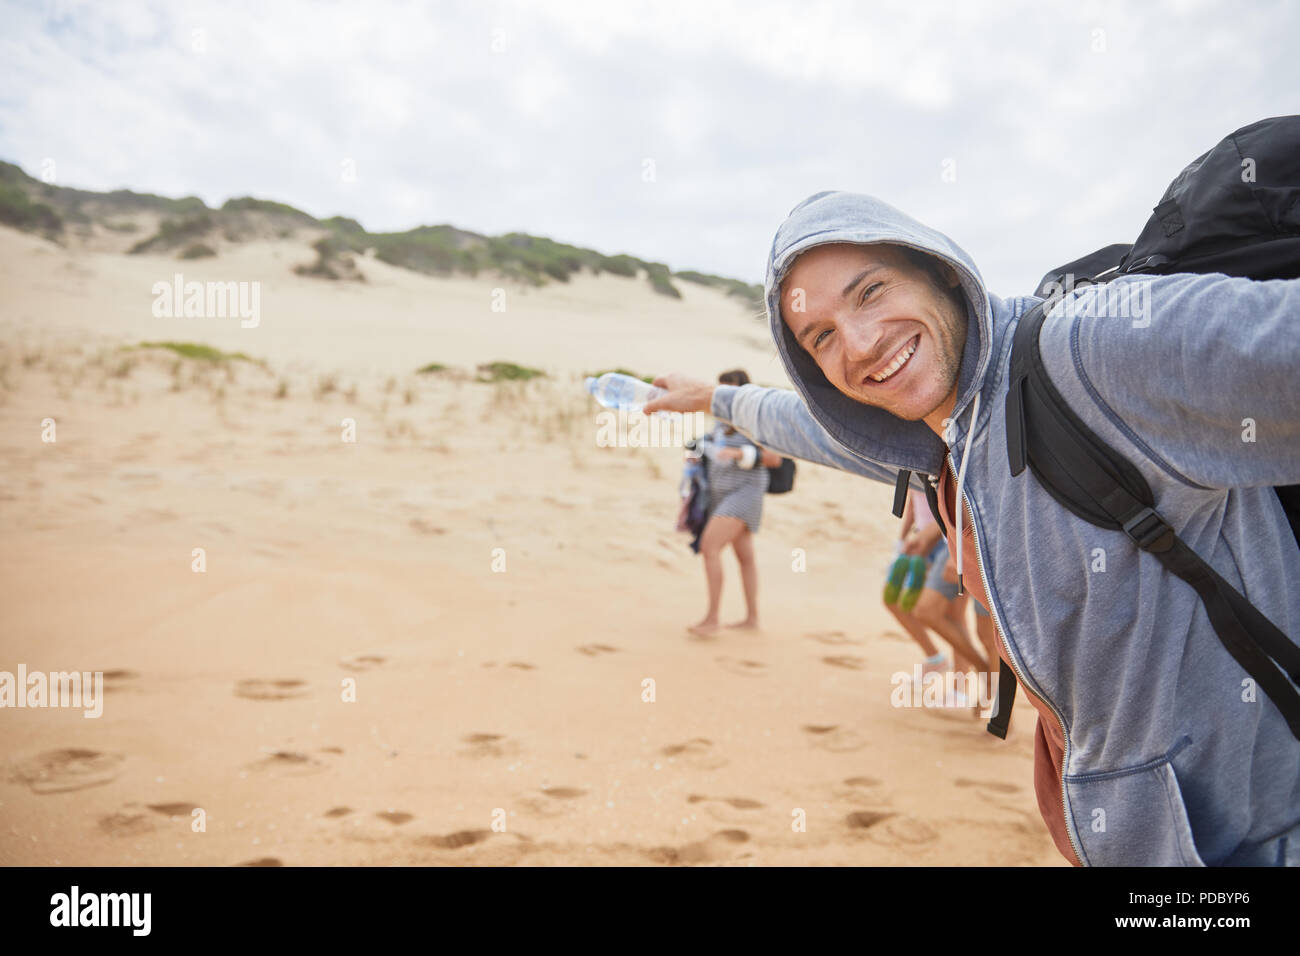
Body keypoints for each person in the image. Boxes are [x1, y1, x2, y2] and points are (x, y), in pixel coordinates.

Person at [643, 191, 1300, 866]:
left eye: (870, 292)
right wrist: (714, 399)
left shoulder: (1092, 352)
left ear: (942, 270)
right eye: (823, 337)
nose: (862, 344)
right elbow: (811, 428)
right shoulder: (937, 440)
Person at [687, 369, 782, 637]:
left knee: (710, 547)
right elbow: (712, 446)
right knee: (745, 557)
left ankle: (712, 619)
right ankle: (752, 619)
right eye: (721, 390)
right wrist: (696, 450)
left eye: (729, 390)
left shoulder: (754, 419)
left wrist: (739, 452)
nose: (724, 396)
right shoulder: (719, 420)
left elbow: (774, 458)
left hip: (746, 493)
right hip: (720, 493)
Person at [886, 487, 989, 712]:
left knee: (956, 616)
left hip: (951, 538)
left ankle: (964, 687)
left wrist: (957, 545)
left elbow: (962, 495)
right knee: (900, 602)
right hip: (932, 538)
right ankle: (943, 661)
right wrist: (902, 539)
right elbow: (914, 499)